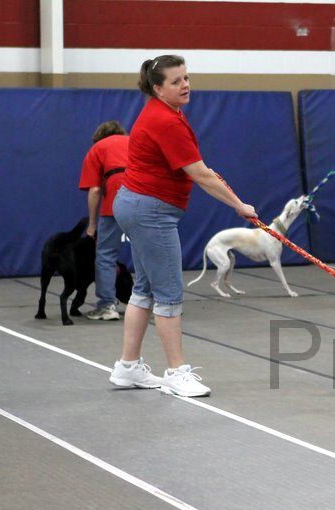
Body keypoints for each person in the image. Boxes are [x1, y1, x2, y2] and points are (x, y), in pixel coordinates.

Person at [109, 55, 257, 397]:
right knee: (169, 295)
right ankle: (176, 373)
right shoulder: (165, 121)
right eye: (176, 81)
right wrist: (239, 205)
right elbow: (201, 174)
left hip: (136, 205)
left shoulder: (166, 112)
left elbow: (199, 169)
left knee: (144, 289)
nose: (185, 84)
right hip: (150, 212)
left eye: (186, 77)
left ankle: (127, 368)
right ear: (157, 88)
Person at [78, 120, 128, 321]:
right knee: (148, 253)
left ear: (98, 137)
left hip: (115, 199)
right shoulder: (136, 142)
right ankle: (156, 304)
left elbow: (96, 189)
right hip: (144, 196)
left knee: (106, 254)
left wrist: (92, 225)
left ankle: (107, 306)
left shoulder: (98, 148)